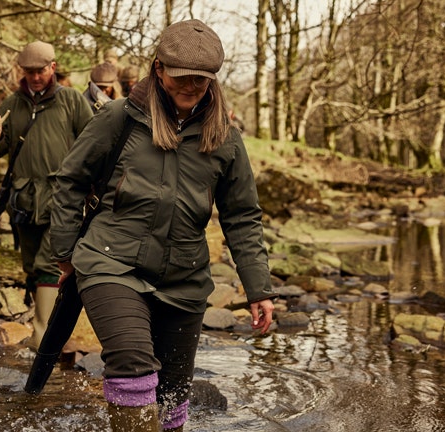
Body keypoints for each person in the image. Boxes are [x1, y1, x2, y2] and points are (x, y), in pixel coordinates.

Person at [49, 20, 276, 431]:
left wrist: (258, 288)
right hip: (110, 262)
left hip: (184, 278)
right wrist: (65, 253)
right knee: (134, 365)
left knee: (173, 395)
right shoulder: (118, 118)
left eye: (202, 80)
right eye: (182, 76)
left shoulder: (225, 138)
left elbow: (242, 216)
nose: (192, 86)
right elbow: (69, 181)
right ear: (158, 69)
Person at [0, 41, 93, 349]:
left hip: (61, 198)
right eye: (29, 72)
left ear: (53, 68)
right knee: (31, 265)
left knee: (49, 262)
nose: (35, 77)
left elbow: (93, 142)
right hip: (22, 199)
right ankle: (44, 324)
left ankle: (42, 336)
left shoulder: (71, 100)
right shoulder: (12, 104)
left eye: (40, 71)